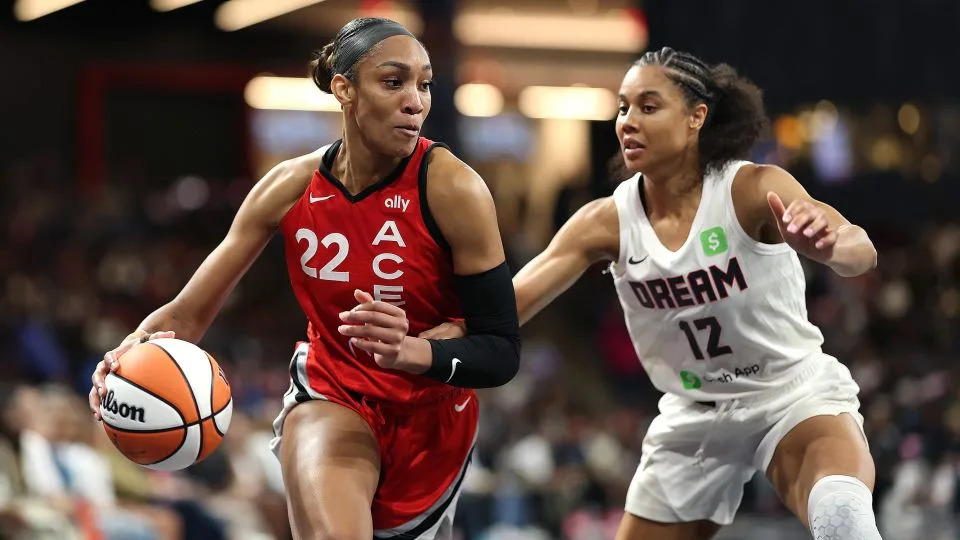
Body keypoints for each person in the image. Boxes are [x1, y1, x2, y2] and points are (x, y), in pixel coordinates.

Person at [87, 17, 521, 540]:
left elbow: (500, 350)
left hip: (433, 423)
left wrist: (413, 352)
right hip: (334, 393)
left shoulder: (455, 189)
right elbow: (185, 315)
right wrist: (128, 355)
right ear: (345, 89)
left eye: (423, 84)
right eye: (393, 81)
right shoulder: (289, 187)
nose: (416, 101)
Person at [423, 47, 880, 540]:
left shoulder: (752, 188)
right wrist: (435, 342)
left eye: (648, 106)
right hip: (694, 414)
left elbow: (860, 249)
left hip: (789, 394)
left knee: (842, 517)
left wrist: (831, 246)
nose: (627, 121)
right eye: (622, 107)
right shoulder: (606, 222)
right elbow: (510, 305)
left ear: (695, 118)